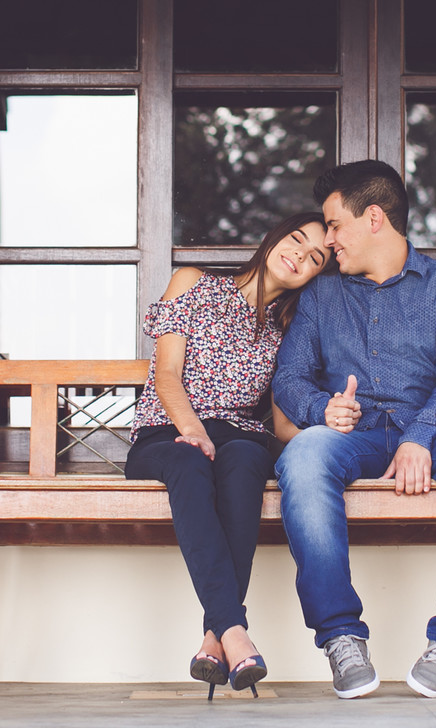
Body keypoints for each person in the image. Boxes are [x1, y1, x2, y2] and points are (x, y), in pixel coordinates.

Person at [271, 159, 436, 699]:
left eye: (335, 225)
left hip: (433, 434)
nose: (329, 240)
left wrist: (419, 436)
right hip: (350, 438)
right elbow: (289, 377)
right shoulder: (321, 295)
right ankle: (339, 635)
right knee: (304, 456)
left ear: (375, 218)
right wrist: (322, 410)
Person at [124, 211, 330, 699]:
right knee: (191, 459)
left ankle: (216, 641)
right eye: (297, 240)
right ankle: (233, 631)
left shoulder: (289, 331)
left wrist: (329, 438)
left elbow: (280, 423)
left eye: (316, 256)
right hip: (166, 433)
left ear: (318, 273)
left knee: (245, 460)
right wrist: (193, 431)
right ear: (274, 238)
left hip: (237, 438)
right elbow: (168, 374)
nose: (300, 254)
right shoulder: (193, 283)